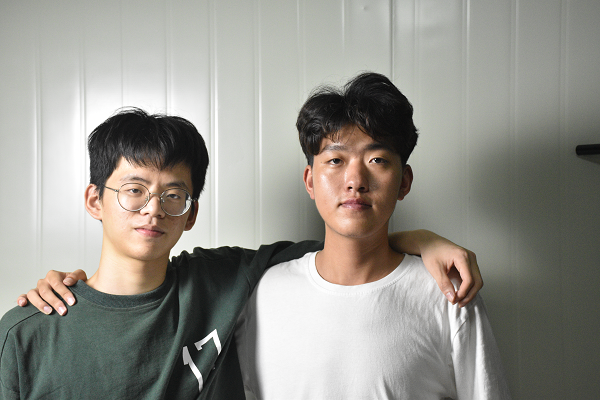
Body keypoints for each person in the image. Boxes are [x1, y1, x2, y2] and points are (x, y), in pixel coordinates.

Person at [1, 108, 481, 399]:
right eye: (133, 190)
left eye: (173, 195)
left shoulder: (224, 279)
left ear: (191, 213)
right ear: (94, 201)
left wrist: (422, 239)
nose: (153, 209)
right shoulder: (28, 333)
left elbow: (348, 242)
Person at [235, 72, 511, 399]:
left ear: (404, 182)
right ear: (310, 181)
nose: (356, 180)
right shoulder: (264, 295)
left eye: (377, 159)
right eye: (335, 160)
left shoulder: (448, 294)